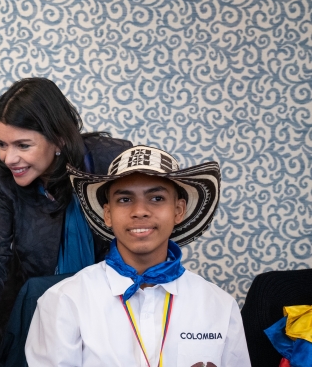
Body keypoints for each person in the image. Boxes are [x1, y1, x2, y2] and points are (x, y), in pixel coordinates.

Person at [0, 77, 132, 364]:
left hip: (111, 312)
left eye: (23, 145)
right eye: (2, 144)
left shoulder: (110, 161)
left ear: (59, 139)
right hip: (33, 316)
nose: (9, 158)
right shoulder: (1, 179)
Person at [25, 145, 250, 366]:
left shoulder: (219, 306)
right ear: (108, 214)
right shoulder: (64, 301)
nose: (140, 211)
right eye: (125, 199)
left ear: (178, 211)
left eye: (157, 198)